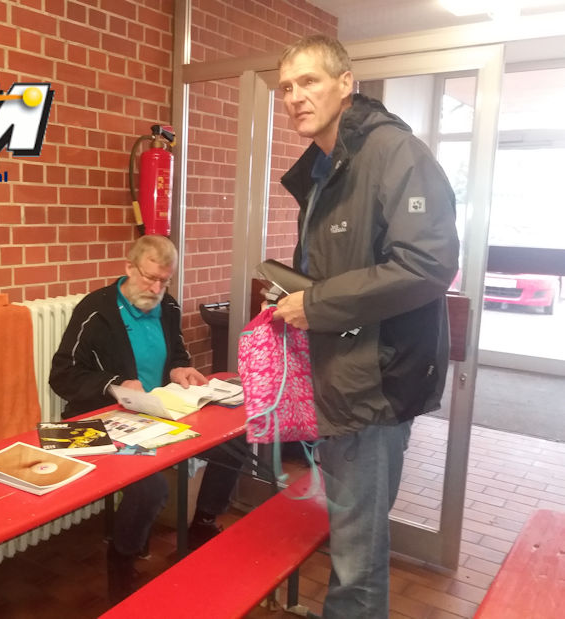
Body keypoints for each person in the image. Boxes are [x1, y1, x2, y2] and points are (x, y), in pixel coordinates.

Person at [274, 34, 459, 618]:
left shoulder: (395, 153)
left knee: (356, 559)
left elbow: (426, 266)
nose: (295, 97)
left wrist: (316, 305)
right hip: (338, 377)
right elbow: (343, 270)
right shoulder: (325, 168)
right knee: (351, 538)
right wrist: (298, 300)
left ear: (346, 82)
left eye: (309, 81)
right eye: (286, 87)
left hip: (372, 385)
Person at [49, 234, 244, 603]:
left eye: (164, 281)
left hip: (156, 413)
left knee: (233, 440)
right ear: (129, 267)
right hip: (102, 419)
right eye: (150, 278)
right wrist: (114, 385)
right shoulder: (96, 310)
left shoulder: (167, 306)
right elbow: (62, 375)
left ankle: (203, 523)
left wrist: (179, 370)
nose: (156, 289)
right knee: (150, 487)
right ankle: (122, 559)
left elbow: (177, 355)